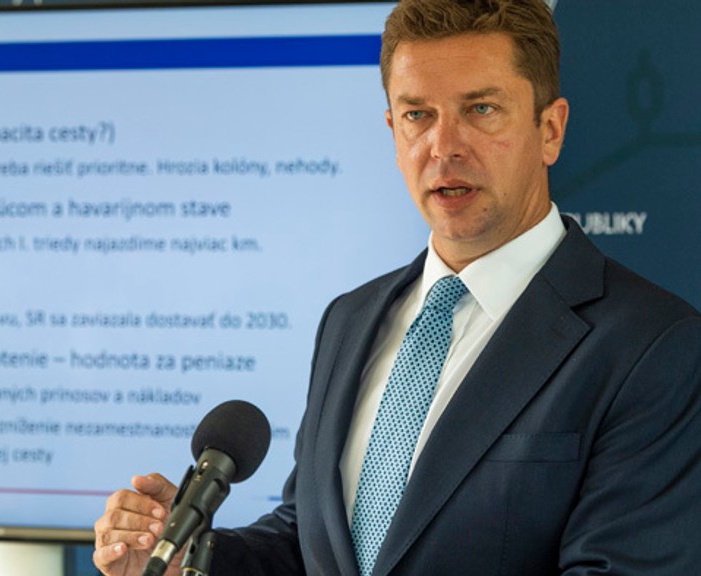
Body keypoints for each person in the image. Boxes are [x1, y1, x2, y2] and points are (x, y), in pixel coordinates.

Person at [93, 0, 701, 574]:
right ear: (393, 130)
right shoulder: (350, 319)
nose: (444, 146)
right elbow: (310, 543)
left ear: (550, 129)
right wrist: (192, 556)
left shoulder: (654, 348)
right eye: (418, 115)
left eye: (481, 110)